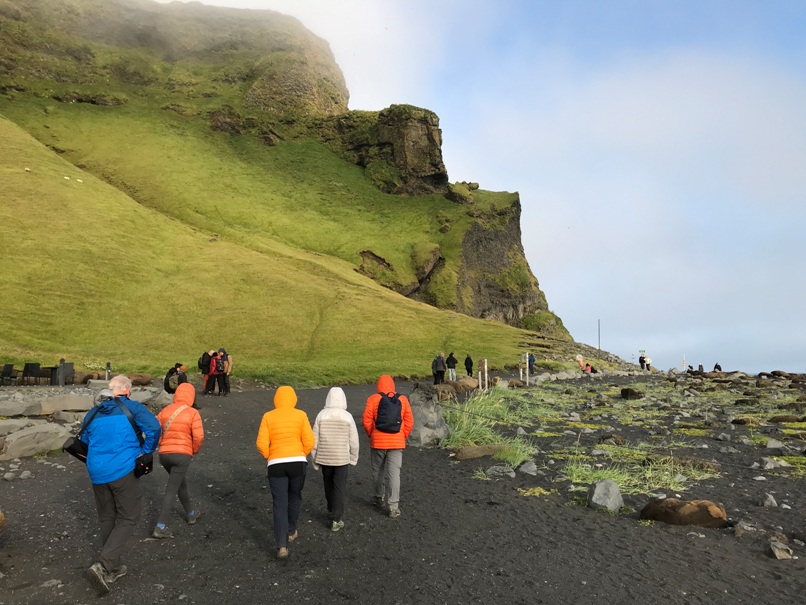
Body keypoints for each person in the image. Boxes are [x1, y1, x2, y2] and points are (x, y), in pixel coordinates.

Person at [81, 375, 160, 596]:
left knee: (107, 516)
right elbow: (154, 427)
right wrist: (146, 449)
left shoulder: (93, 412)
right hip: (122, 469)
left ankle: (112, 568)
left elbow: (85, 441)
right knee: (129, 516)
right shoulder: (132, 407)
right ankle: (104, 564)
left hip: (97, 471)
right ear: (126, 389)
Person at [256, 386, 315, 560]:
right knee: (295, 496)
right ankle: (291, 530)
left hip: (276, 463)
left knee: (279, 504)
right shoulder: (301, 415)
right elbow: (310, 440)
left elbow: (261, 443)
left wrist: (270, 456)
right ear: (294, 399)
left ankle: (282, 545)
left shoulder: (268, 416)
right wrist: (300, 453)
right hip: (297, 461)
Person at [152, 382, 204, 539]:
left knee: (180, 483)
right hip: (182, 455)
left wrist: (162, 443)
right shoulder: (192, 413)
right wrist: (193, 450)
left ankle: (191, 514)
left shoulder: (165, 410)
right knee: (171, 489)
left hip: (164, 455)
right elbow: (199, 436)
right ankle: (160, 527)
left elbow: (155, 429)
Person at [362, 375, 414, 519]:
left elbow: (366, 420)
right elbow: (409, 421)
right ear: (393, 385)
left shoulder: (373, 399)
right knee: (394, 474)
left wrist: (372, 434)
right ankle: (393, 506)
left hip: (378, 442)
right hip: (396, 442)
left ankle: (379, 497)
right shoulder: (402, 399)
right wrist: (402, 435)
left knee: (377, 471)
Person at [310, 387, 359, 532]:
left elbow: (314, 440)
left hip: (325, 457)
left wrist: (314, 459)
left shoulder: (321, 415)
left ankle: (331, 507)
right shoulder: (347, 416)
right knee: (340, 487)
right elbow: (354, 441)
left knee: (328, 483)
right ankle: (336, 518)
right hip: (341, 458)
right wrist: (353, 458)